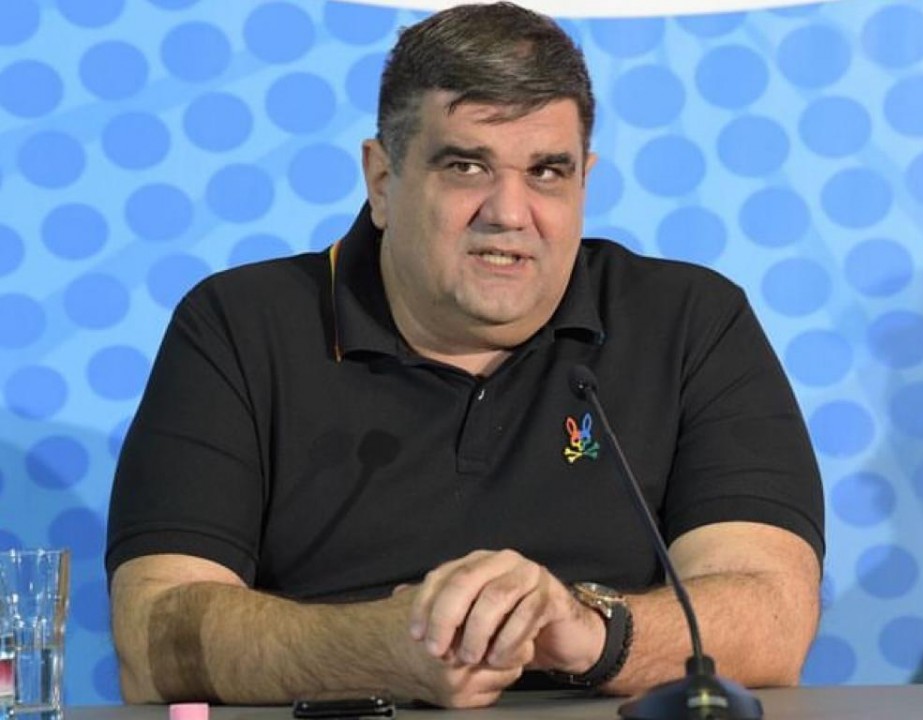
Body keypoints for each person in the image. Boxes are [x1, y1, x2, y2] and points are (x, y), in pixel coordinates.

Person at [106, 2, 824, 709]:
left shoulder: (689, 320)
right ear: (382, 180)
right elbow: (152, 636)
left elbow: (774, 615)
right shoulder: (240, 324)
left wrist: (585, 631)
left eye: (547, 172)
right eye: (466, 166)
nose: (509, 213)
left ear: (585, 179)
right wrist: (383, 650)